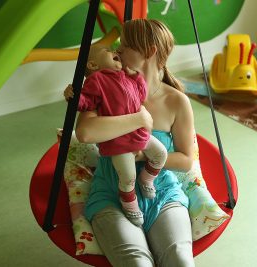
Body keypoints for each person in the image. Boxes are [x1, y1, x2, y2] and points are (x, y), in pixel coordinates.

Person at [75, 19, 195, 267]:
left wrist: (142, 157)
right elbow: (85, 133)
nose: (118, 50)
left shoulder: (176, 101)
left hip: (161, 192)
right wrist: (139, 118)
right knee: (136, 263)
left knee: (180, 259)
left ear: (149, 51)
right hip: (111, 192)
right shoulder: (105, 88)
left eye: (126, 46)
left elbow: (185, 160)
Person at [65, 44, 168, 226]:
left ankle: (147, 179)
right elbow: (86, 102)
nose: (115, 52)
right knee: (127, 176)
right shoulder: (97, 80)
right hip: (118, 143)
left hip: (138, 134)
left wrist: (136, 76)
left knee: (161, 154)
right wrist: (73, 97)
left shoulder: (127, 77)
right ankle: (129, 202)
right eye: (108, 51)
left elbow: (141, 95)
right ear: (93, 65)